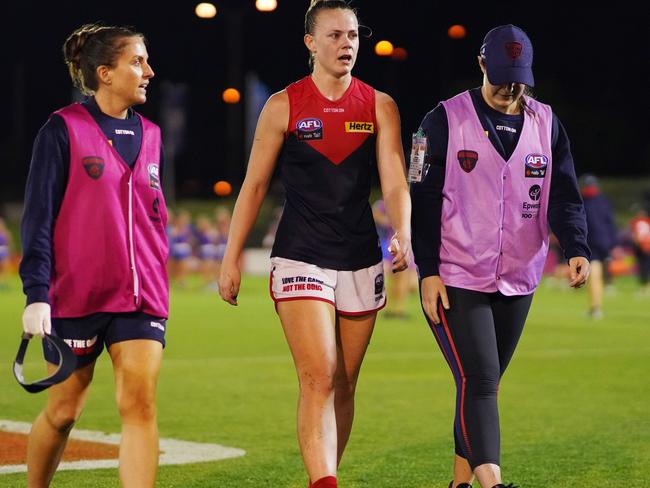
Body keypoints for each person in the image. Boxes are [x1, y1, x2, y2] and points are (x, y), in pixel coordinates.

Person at [218, 2, 411, 486]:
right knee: (320, 376)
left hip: (361, 257)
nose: (346, 44)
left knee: (344, 383)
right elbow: (254, 187)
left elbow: (394, 183)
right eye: (334, 35)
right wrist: (231, 257)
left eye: (352, 35)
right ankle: (325, 482)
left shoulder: (379, 105)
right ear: (310, 42)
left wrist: (402, 230)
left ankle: (326, 473)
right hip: (300, 254)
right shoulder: (283, 105)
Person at [410, 25, 590, 488]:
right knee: (482, 378)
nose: (511, 90)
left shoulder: (547, 123)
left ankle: (459, 483)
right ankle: (493, 482)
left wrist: (576, 247)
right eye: (503, 78)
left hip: (519, 276)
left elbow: (565, 195)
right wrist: (427, 270)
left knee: (479, 384)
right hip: (456, 273)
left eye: (520, 81)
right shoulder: (442, 120)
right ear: (482, 63)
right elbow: (421, 198)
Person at [19, 23, 168, 488]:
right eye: (137, 62)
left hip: (142, 298)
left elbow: (153, 214)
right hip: (75, 297)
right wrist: (36, 294)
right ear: (105, 73)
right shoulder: (61, 130)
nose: (149, 70)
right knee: (64, 411)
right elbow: (37, 220)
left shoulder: (154, 135)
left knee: (140, 404)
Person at [579, 174, 618, 318]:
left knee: (594, 273)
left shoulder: (582, 202)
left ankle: (595, 308)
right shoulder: (604, 201)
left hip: (591, 241)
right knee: (602, 271)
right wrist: (614, 243)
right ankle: (607, 289)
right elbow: (611, 223)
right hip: (605, 241)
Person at [630, 206, 650, 296]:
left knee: (643, 267)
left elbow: (636, 236)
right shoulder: (647, 221)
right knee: (645, 266)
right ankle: (645, 286)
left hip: (642, 246)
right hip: (647, 246)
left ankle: (644, 287)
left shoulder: (636, 222)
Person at [0, 217, 13, 289]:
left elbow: (9, 243)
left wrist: (10, 251)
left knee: (5, 268)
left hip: (4, 251)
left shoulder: (6, 233)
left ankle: (5, 283)